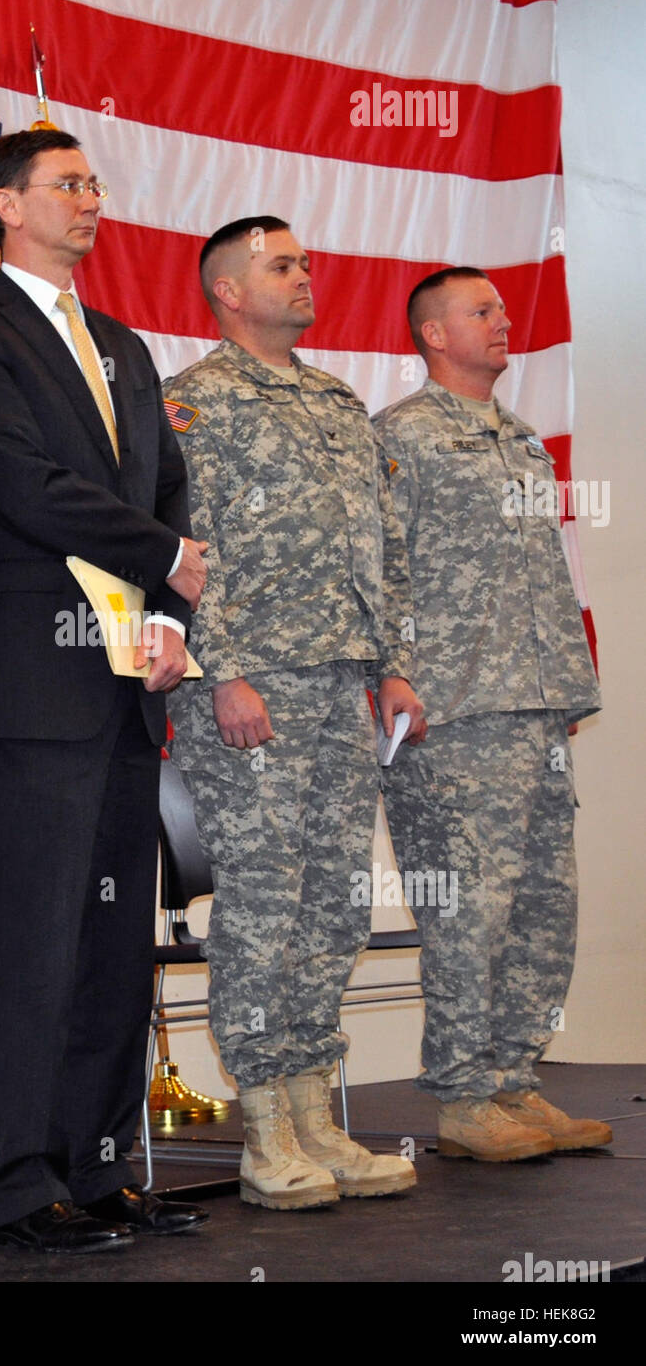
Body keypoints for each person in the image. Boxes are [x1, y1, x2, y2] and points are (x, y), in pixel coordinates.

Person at [0, 129, 209, 1253]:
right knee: (36, 938)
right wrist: (164, 558)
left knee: (109, 946)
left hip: (127, 683)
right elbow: (20, 482)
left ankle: (97, 1168)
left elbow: (172, 496)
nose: (91, 200)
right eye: (67, 185)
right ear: (5, 205)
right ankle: (19, 1183)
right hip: (33, 681)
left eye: (95, 184)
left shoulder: (126, 347)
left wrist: (174, 619)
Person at [163, 216, 424, 1210]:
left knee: (335, 902)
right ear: (229, 290)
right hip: (254, 686)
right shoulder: (196, 403)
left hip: (339, 686)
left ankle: (318, 1111)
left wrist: (392, 665)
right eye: (283, 265)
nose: (305, 276)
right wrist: (223, 670)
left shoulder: (334, 398)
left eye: (305, 262)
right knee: (266, 905)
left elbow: (378, 549)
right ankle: (266, 1124)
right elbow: (190, 548)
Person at [371, 267, 607, 1160]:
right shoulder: (404, 437)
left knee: (546, 904)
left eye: (503, 309)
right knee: (469, 907)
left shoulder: (521, 438)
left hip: (534, 710)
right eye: (483, 311)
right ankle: (467, 1099)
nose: (504, 321)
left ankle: (515, 1079)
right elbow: (380, 564)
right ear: (433, 334)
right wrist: (394, 672)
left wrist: (564, 688)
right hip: (454, 712)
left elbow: (546, 573)